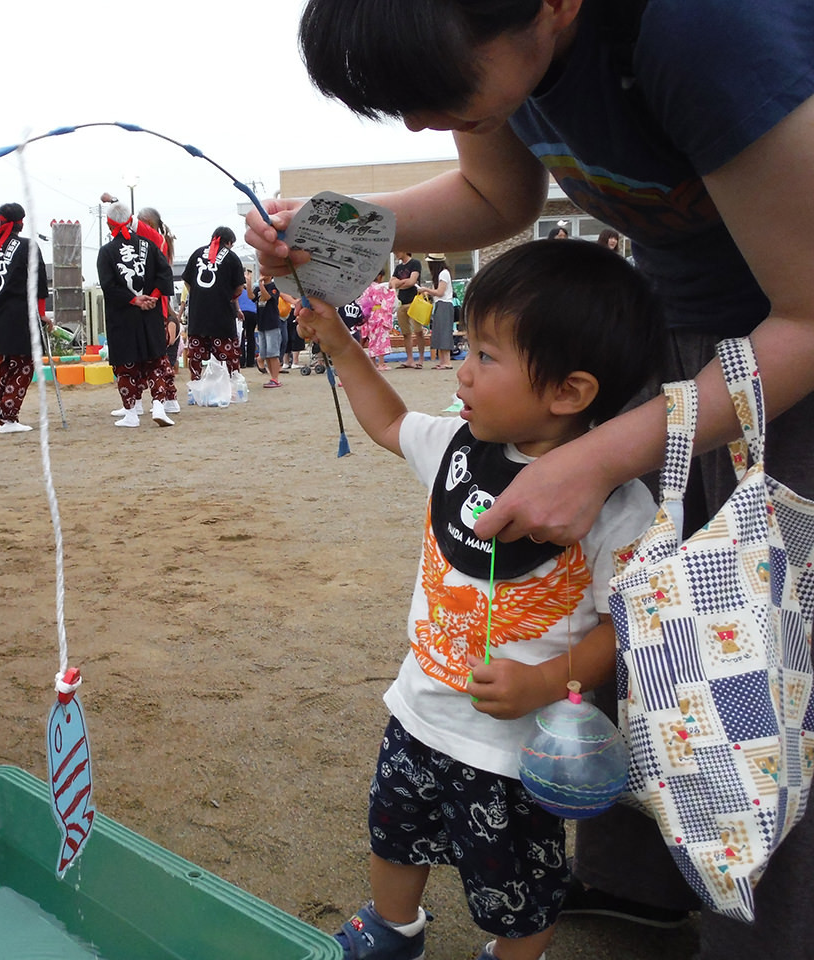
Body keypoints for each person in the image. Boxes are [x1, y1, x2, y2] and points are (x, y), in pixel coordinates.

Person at [248, 0, 814, 954]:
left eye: (440, 93)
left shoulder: (708, 29)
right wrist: (347, 227)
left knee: (754, 641)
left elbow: (805, 317)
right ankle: (641, 879)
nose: (424, 123)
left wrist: (603, 452)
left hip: (780, 338)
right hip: (672, 318)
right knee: (648, 615)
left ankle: (760, 920)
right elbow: (498, 197)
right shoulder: (504, 45)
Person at [297, 240, 663, 960]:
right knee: (395, 833)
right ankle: (393, 928)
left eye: (486, 356)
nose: (461, 369)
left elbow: (630, 620)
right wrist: (339, 345)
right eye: (466, 346)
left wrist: (546, 681)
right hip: (419, 706)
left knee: (518, 882)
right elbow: (388, 423)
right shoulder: (462, 447)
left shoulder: (616, 504)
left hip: (516, 750)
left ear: (569, 392)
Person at [97, 202, 177, 427]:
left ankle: (131, 413)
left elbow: (108, 285)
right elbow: (165, 274)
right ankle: (159, 406)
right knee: (156, 362)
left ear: (109, 223)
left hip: (123, 317)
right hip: (150, 315)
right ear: (130, 220)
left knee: (126, 365)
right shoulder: (149, 245)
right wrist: (151, 296)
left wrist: (134, 299)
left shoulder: (107, 252)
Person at [0, 201, 48, 435]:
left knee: (2, 362)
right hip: (21, 313)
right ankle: (9, 417)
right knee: (23, 364)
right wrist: (42, 314)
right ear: (21, 224)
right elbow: (40, 283)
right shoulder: (28, 246)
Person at [179, 226, 246, 391]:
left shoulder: (197, 254)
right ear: (229, 242)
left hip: (198, 314)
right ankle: (234, 385)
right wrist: (226, 297)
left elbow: (187, 283)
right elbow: (239, 287)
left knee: (196, 355)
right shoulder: (231, 257)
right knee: (230, 354)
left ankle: (194, 386)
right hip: (221, 313)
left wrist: (200, 295)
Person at [136, 206, 180, 413]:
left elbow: (127, 222)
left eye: (140, 222)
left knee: (157, 358)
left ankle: (167, 399)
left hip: (155, 306)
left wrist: (114, 201)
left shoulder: (156, 241)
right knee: (150, 358)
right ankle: (142, 401)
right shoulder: (152, 243)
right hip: (151, 305)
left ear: (150, 225)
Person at [417, 254, 454, 369]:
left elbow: (440, 292)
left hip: (444, 304)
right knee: (439, 331)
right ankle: (443, 361)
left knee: (444, 332)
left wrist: (426, 289)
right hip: (440, 304)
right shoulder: (442, 273)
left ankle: (447, 361)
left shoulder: (443, 273)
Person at [388, 251, 423, 369]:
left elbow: (412, 281)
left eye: (398, 251)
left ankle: (421, 358)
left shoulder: (415, 263)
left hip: (414, 301)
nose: (396, 253)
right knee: (406, 333)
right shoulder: (398, 267)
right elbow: (390, 283)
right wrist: (402, 283)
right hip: (401, 302)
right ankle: (410, 359)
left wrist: (398, 283)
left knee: (418, 331)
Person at [357, 270, 396, 370]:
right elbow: (389, 298)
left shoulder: (365, 288)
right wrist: (394, 288)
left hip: (368, 315)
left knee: (372, 339)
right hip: (379, 315)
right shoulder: (380, 287)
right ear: (379, 276)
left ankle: (373, 363)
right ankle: (381, 363)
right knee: (380, 339)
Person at [254, 273, 285, 387]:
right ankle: (272, 377)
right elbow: (252, 297)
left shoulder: (274, 287)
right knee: (266, 354)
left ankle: (276, 378)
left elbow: (267, 297)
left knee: (273, 353)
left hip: (272, 324)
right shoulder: (257, 288)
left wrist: (261, 284)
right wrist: (248, 283)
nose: (262, 274)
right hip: (261, 324)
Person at [238, 267, 260, 372]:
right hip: (253, 311)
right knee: (251, 335)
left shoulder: (236, 286)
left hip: (241, 311)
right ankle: (251, 361)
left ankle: (241, 361)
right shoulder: (250, 287)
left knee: (242, 336)